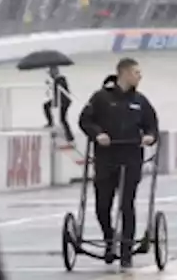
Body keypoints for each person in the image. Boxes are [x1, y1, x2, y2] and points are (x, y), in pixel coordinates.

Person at [78, 57, 159, 268]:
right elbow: (85, 121)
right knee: (102, 206)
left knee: (126, 205)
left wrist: (150, 136)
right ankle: (109, 237)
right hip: (106, 158)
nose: (140, 77)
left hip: (131, 157)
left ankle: (126, 252)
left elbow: (152, 126)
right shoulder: (101, 98)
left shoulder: (141, 101)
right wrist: (97, 135)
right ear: (123, 73)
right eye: (136, 72)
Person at [42, 65, 75, 143]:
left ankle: (70, 137)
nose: (50, 74)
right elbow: (54, 90)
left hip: (64, 101)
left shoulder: (61, 79)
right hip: (59, 100)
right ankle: (51, 123)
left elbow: (61, 88)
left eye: (50, 73)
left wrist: (52, 83)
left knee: (62, 119)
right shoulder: (57, 79)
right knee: (46, 106)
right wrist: (50, 84)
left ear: (55, 72)